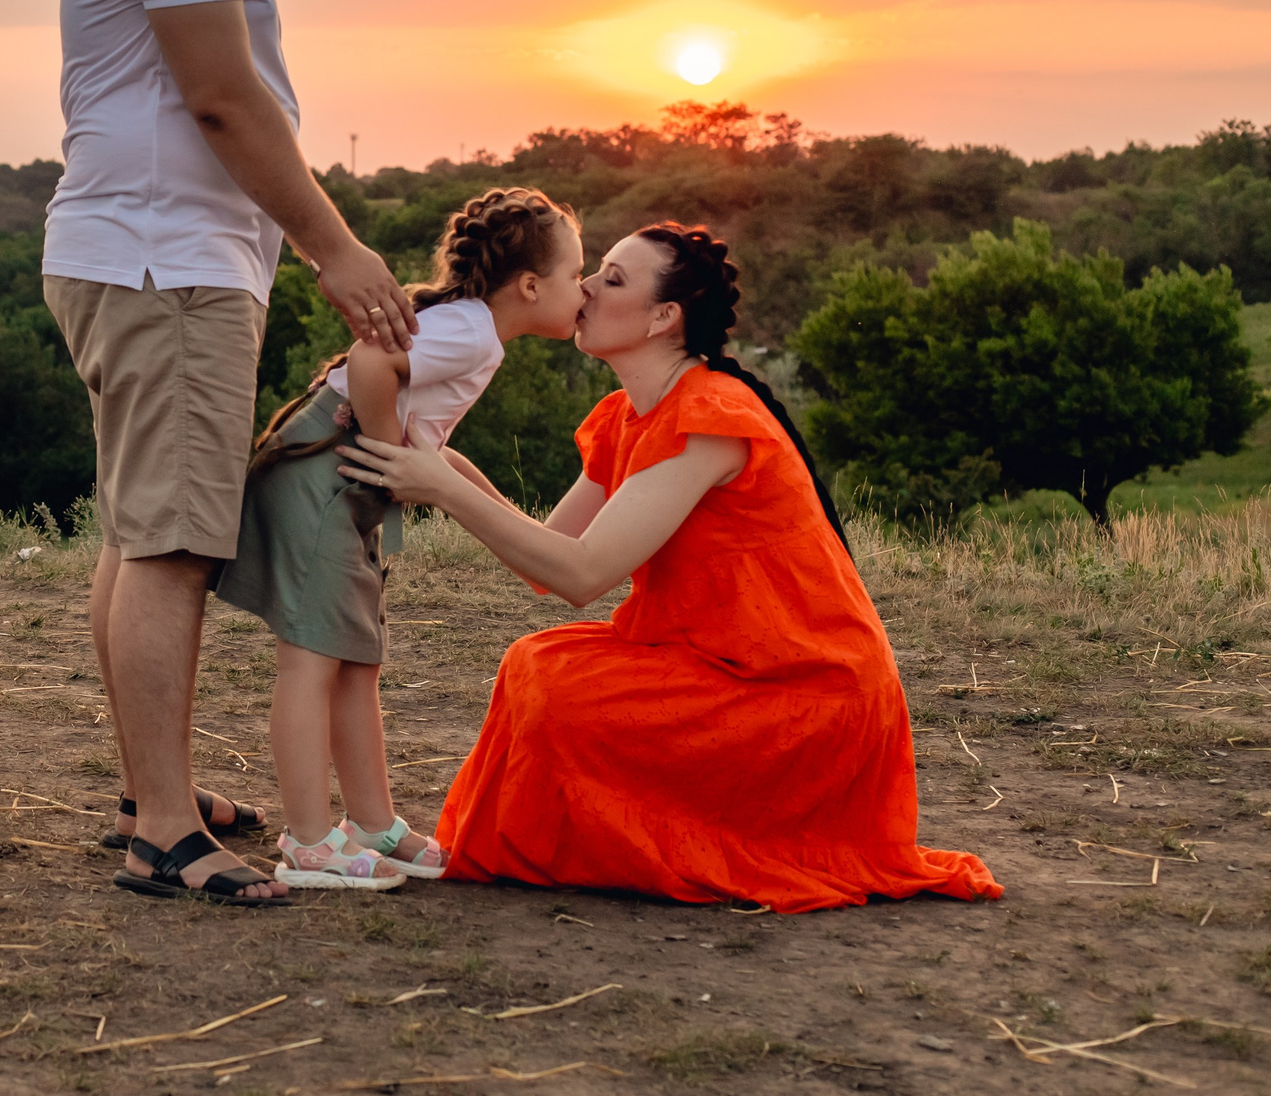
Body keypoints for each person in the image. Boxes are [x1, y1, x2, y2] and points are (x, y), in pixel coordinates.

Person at [338, 223, 1000, 913]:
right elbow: (549, 554)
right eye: (595, 272)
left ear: (663, 318)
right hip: (713, 660)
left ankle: (633, 847)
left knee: (559, 688)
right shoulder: (625, 415)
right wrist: (440, 462)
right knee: (536, 665)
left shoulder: (710, 417)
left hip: (802, 690)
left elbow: (582, 574)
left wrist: (442, 487)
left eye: (613, 279)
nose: (586, 287)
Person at [41, 0, 416, 907]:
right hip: (166, 265)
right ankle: (162, 829)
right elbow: (221, 96)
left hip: (146, 256)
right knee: (171, 545)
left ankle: (151, 791)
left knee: (136, 533)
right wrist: (332, 249)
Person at [218, 190, 583, 890]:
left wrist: (503, 514)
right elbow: (368, 363)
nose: (585, 289)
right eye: (578, 274)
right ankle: (307, 843)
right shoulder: (473, 333)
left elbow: (433, 452)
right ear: (531, 286)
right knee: (311, 660)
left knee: (356, 659)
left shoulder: (474, 331)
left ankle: (372, 824)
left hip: (342, 480)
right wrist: (388, 459)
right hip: (326, 479)